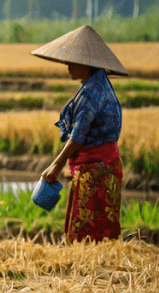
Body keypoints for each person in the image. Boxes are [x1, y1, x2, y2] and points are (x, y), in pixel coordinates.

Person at [31, 24, 129, 242]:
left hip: (95, 169)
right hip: (104, 165)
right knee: (101, 224)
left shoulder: (91, 93)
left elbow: (78, 135)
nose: (67, 66)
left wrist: (56, 164)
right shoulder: (97, 84)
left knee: (86, 227)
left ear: (86, 64)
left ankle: (90, 267)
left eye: (71, 62)